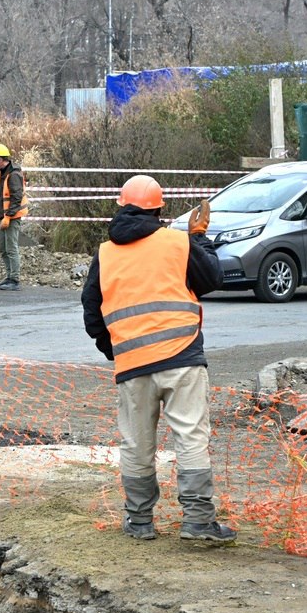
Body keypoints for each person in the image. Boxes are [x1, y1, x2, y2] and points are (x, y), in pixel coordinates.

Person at [81, 175, 236, 543]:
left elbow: (91, 309)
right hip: (182, 356)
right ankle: (198, 521)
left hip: (132, 364)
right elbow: (212, 278)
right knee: (191, 438)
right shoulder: (176, 241)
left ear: (120, 206)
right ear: (159, 208)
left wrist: (115, 347)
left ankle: (139, 522)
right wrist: (199, 238)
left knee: (136, 443)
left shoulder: (105, 253)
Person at [0, 144, 28, 291]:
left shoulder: (14, 174)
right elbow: (5, 192)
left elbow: (16, 197)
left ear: (1, 159)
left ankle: (14, 280)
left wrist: (8, 217)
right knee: (3, 249)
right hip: (4, 215)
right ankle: (9, 277)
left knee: (11, 248)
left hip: (12, 216)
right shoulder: (3, 172)